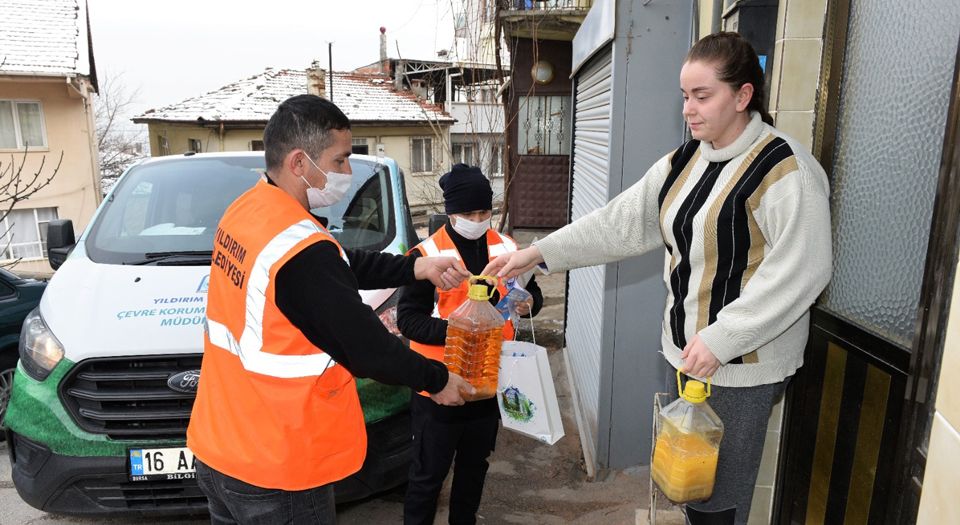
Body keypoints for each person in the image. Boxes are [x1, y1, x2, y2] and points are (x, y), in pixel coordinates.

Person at [484, 32, 832, 525]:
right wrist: (540, 253)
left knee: (717, 496)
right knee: (685, 481)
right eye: (685, 96)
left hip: (740, 366)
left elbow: (804, 267)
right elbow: (618, 223)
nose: (688, 109)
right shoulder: (685, 161)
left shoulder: (786, 170)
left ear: (743, 95)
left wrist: (724, 336)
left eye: (702, 96)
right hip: (687, 356)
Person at [187, 94, 474, 525]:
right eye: (340, 160)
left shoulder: (251, 211)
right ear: (300, 162)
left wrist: (416, 267)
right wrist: (437, 380)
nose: (346, 172)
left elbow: (337, 264)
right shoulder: (299, 250)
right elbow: (367, 348)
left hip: (221, 447)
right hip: (278, 466)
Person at [398, 164, 544, 525]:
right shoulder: (427, 255)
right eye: (468, 213)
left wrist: (530, 304)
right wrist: (462, 332)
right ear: (450, 212)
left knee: (474, 468)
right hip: (438, 386)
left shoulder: (506, 248)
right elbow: (409, 320)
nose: (477, 220)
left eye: (484, 212)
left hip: (487, 382)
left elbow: (532, 295)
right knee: (427, 476)